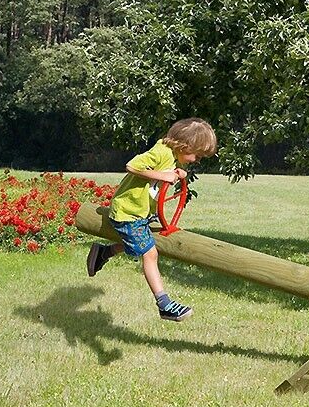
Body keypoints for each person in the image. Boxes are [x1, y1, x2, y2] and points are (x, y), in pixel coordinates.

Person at [86, 117, 217, 321]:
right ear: (185, 145)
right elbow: (131, 166)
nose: (196, 161)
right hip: (128, 213)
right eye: (197, 155)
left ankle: (104, 252)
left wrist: (176, 172)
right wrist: (164, 176)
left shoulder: (172, 155)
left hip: (140, 212)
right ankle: (164, 304)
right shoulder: (161, 152)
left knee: (138, 244)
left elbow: (164, 173)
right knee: (150, 253)